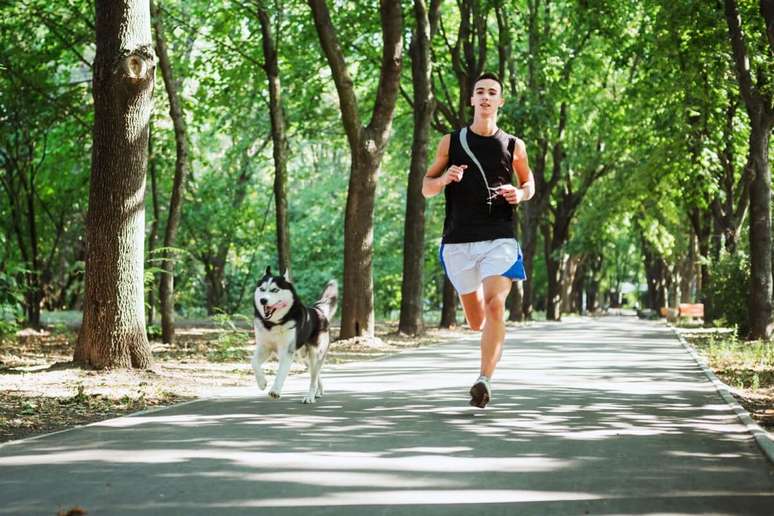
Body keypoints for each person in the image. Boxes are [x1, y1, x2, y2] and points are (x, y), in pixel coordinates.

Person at [422, 72, 535, 408]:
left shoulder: (514, 145)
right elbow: (425, 188)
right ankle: (486, 333)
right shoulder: (451, 142)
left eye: (492, 93)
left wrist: (519, 193)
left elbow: (529, 185)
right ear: (471, 100)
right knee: (475, 320)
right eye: (480, 92)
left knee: (495, 304)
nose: (486, 98)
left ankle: (484, 379)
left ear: (500, 101)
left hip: (498, 236)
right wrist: (444, 178)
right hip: (458, 241)